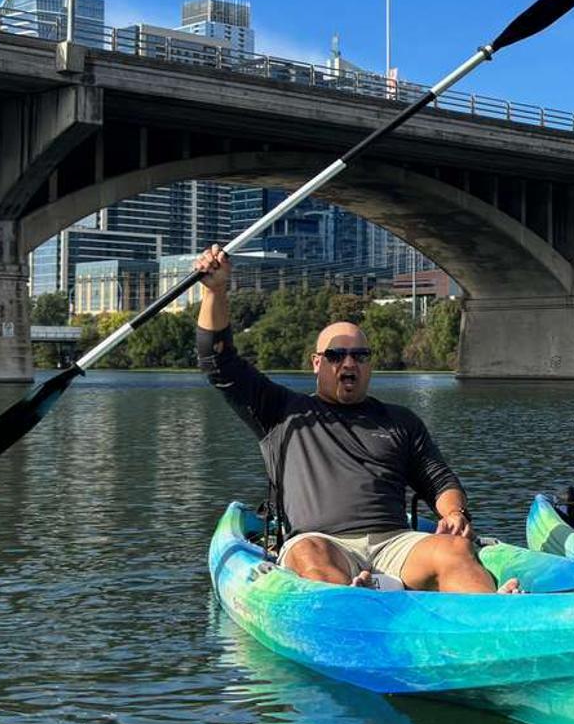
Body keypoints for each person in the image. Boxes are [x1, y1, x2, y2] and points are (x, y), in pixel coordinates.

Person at [192, 244, 514, 593]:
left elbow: (439, 480)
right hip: (322, 542)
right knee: (309, 554)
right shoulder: (281, 411)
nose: (348, 364)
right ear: (317, 363)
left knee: (454, 549)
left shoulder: (400, 421)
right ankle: (352, 600)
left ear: (369, 364)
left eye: (359, 355)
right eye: (336, 355)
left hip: (395, 543)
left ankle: (494, 615)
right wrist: (216, 290)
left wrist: (454, 515)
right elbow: (218, 363)